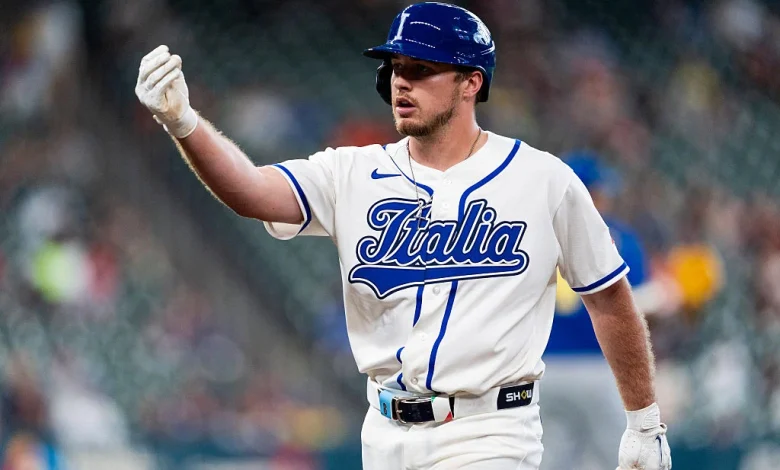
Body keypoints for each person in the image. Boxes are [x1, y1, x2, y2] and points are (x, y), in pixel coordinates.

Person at [134, 3, 672, 469]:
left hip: (490, 430)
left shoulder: (543, 180)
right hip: (385, 430)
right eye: (394, 67)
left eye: (420, 68)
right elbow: (251, 191)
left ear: (471, 82)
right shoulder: (352, 171)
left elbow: (608, 298)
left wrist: (643, 421)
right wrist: (184, 123)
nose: (400, 81)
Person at [541, 152, 652, 470]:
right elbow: (638, 305)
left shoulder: (533, 235)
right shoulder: (618, 236)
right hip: (601, 368)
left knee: (551, 460)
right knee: (627, 458)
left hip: (544, 369)